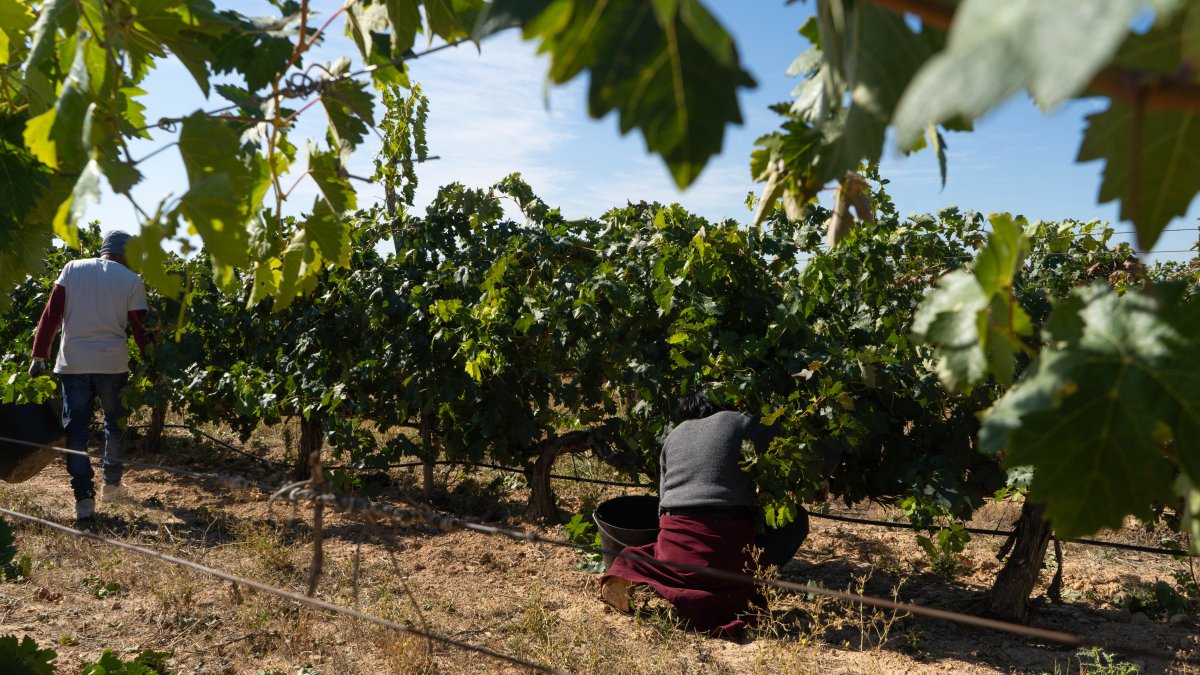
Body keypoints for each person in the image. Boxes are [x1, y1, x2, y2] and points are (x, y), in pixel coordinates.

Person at [599, 386, 808, 637]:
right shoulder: (742, 423)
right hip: (724, 551)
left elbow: (663, 503)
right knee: (796, 520)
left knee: (641, 555)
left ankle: (648, 579)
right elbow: (791, 438)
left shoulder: (673, 436)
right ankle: (746, 584)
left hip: (675, 548)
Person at [28, 231, 149, 520]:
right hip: (112, 365)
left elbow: (51, 315)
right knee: (115, 425)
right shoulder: (132, 281)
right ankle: (111, 486)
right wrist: (153, 365)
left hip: (74, 364)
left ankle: (84, 499)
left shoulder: (73, 269)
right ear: (124, 253)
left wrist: (39, 356)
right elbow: (140, 330)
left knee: (76, 431)